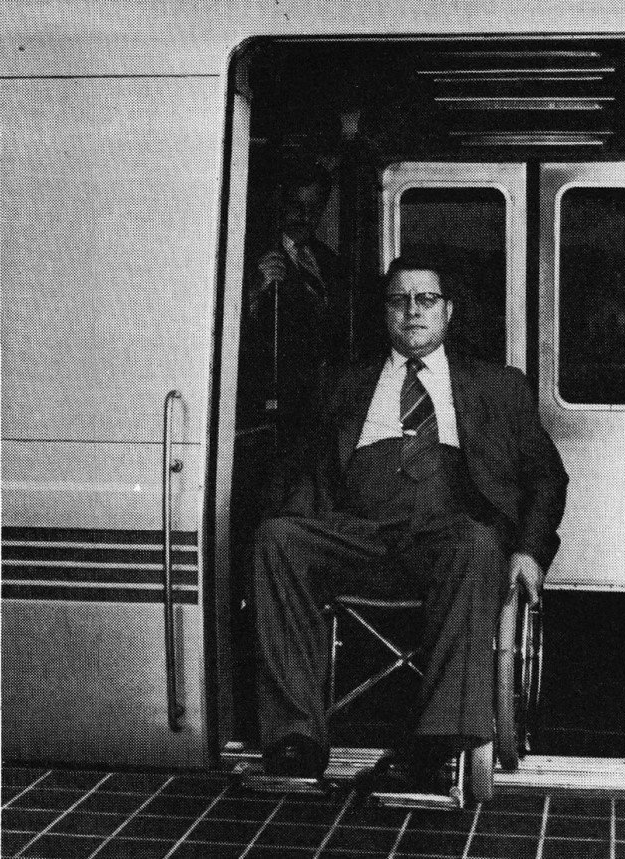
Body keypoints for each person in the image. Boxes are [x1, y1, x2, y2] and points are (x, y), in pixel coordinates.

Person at [252, 253, 568, 789]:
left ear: (448, 312)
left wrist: (530, 552)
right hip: (357, 537)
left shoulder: (498, 386)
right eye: (399, 300)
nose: (412, 312)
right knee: (276, 537)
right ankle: (295, 737)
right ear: (384, 313)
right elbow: (300, 471)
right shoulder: (341, 384)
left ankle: (439, 739)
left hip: (449, 543)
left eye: (425, 300)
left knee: (477, 538)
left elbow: (546, 477)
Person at [246, 162, 344, 449]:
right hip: (271, 404)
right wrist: (253, 290)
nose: (305, 216)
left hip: (322, 402)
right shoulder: (252, 254)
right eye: (296, 205)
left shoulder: (329, 261)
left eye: (314, 208)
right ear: (280, 202)